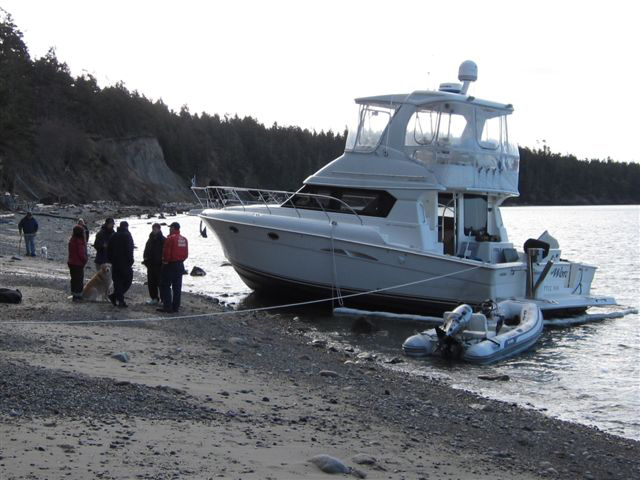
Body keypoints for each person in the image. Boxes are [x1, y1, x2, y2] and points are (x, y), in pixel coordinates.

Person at [158, 222, 188, 313]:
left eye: (170, 227)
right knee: (177, 287)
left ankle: (167, 306)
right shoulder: (184, 239)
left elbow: (166, 252)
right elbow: (186, 254)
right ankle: (176, 306)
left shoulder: (170, 239)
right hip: (180, 265)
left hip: (170, 265)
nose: (169, 229)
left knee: (165, 285)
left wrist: (165, 262)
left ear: (173, 228)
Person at [107, 221, 134, 308]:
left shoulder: (114, 235)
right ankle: (118, 298)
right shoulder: (127, 236)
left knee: (117, 282)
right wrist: (131, 261)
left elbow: (108, 249)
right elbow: (130, 249)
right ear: (127, 227)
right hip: (125, 263)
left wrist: (111, 259)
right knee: (128, 280)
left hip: (115, 263)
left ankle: (117, 298)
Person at [143, 223, 165, 305]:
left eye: (156, 229)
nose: (154, 230)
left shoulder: (163, 239)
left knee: (161, 283)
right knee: (151, 283)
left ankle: (163, 299)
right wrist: (145, 260)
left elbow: (165, 252)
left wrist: (163, 263)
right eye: (153, 229)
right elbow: (146, 249)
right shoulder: (150, 239)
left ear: (159, 229)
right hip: (150, 264)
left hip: (159, 265)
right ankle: (154, 298)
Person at [67, 224, 88, 301]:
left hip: (71, 262)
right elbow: (81, 253)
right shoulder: (79, 241)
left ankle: (74, 294)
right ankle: (78, 295)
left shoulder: (72, 240)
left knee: (74, 279)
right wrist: (85, 260)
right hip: (77, 263)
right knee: (79, 279)